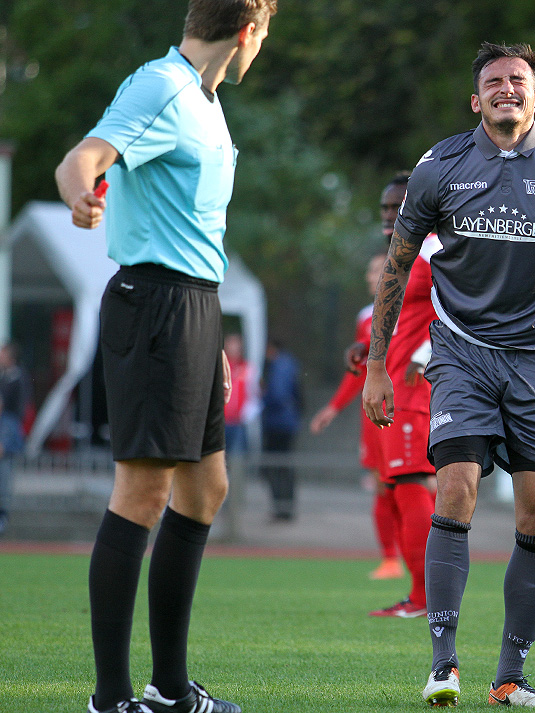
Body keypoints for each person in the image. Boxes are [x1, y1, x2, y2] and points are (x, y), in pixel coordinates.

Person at [363, 42, 535, 708]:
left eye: (518, 80)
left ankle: (510, 678)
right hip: (462, 352)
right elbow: (395, 270)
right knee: (455, 488)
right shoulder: (439, 166)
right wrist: (379, 366)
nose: (507, 88)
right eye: (494, 81)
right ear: (476, 100)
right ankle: (443, 665)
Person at [53, 1, 276, 712]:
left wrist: (208, 337)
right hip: (153, 304)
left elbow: (192, 224)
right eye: (263, 37)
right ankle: (111, 698)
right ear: (247, 32)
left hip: (193, 309)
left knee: (205, 490)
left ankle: (170, 690)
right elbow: (81, 159)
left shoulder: (206, 101)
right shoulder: (162, 85)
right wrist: (80, 196)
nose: (260, 49)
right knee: (143, 494)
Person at [359, 173, 439, 618]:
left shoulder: (433, 247)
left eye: (399, 206)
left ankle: (425, 599)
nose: (390, 215)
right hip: (393, 387)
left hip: (413, 389)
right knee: (401, 486)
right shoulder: (401, 254)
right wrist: (369, 351)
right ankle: (422, 596)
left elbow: (461, 305)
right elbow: (403, 315)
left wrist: (425, 354)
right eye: (386, 208)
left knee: (411, 485)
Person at [310, 252, 404, 580]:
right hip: (374, 412)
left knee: (418, 484)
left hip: (408, 407)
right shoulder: (366, 316)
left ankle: (423, 555)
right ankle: (390, 560)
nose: (370, 276)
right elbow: (360, 372)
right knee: (381, 484)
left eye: (377, 269)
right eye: (370, 270)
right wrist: (333, 407)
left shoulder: (414, 307)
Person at [261, 338, 301, 521]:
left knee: (275, 466)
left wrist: (264, 397)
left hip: (277, 423)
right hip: (289, 421)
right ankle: (286, 506)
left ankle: (281, 507)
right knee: (285, 466)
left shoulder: (278, 366)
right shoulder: (291, 363)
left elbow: (277, 394)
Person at [223, 332, 257, 456]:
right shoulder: (220, 367)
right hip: (222, 421)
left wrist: (248, 413)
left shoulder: (247, 368)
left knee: (239, 455)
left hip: (239, 421)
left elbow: (254, 393)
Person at [0, 394, 25, 535]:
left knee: (3, 492)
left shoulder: (10, 422)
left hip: (4, 462)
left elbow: (19, 444)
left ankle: (2, 518)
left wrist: (5, 448)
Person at [0, 343, 32, 432]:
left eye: (2, 356)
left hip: (12, 418)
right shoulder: (5, 374)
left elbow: (23, 399)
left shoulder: (18, 375)